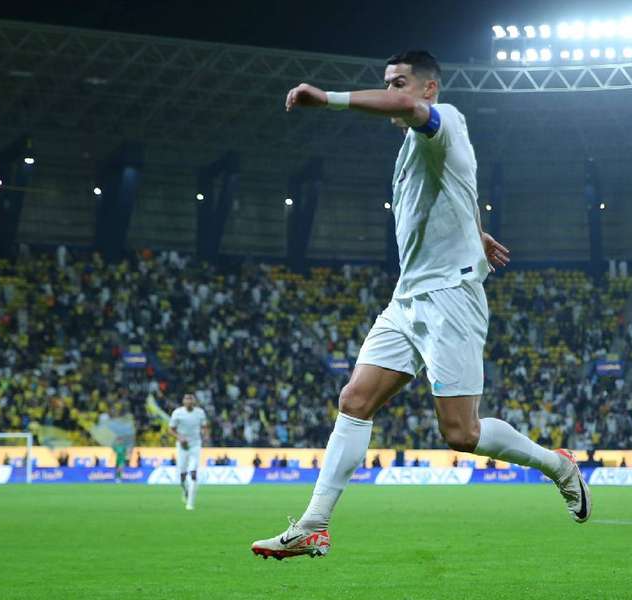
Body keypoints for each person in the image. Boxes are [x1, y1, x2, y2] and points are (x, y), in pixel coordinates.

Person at [252, 50, 590, 560]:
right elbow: (451, 187)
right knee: (354, 400)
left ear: (428, 89)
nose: (392, 91)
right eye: (387, 82)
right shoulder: (417, 146)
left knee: (461, 432)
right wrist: (473, 230)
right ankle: (314, 525)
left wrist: (329, 99)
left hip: (450, 297)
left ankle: (558, 465)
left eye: (401, 83)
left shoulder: (443, 118)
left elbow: (414, 116)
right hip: (408, 297)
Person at [169, 393, 209, 511]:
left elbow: (205, 426)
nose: (189, 401)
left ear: (194, 401)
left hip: (195, 445)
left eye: (191, 398)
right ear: (183, 401)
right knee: (182, 474)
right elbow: (171, 429)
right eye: (186, 398)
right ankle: (184, 490)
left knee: (193, 472)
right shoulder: (177, 413)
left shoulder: (200, 413)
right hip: (182, 446)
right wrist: (179, 437)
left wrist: (206, 435)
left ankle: (190, 503)